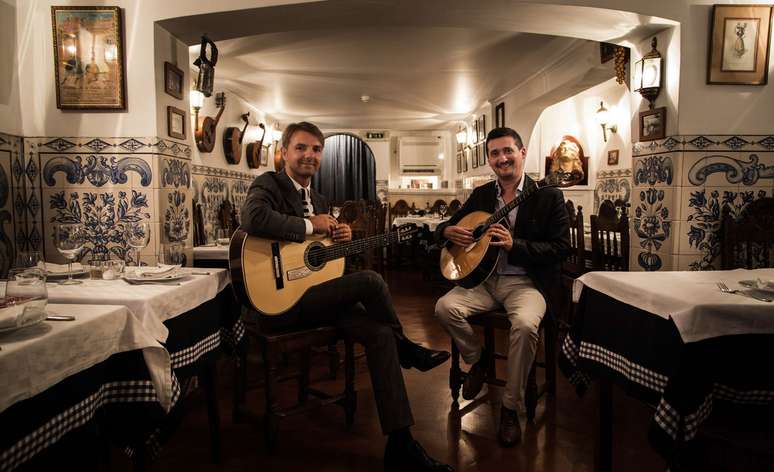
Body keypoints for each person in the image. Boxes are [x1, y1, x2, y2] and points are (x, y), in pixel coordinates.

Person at [240, 121, 453, 471]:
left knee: (380, 333)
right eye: (301, 147)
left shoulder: (321, 199)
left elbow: (321, 261)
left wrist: (339, 239)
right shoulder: (270, 184)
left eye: (316, 149)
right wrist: (313, 226)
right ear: (284, 151)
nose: (309, 155)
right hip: (280, 305)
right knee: (371, 280)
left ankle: (401, 446)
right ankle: (407, 349)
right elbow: (253, 217)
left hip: (313, 298)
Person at [434, 127, 570, 447]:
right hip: (485, 282)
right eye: (494, 153)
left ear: (522, 153)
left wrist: (516, 245)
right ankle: (478, 359)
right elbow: (448, 225)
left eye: (507, 151)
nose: (502, 158)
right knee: (444, 307)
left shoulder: (548, 194)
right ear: (489, 160)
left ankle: (510, 408)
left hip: (526, 283)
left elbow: (562, 248)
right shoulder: (483, 194)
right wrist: (448, 231)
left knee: (523, 325)